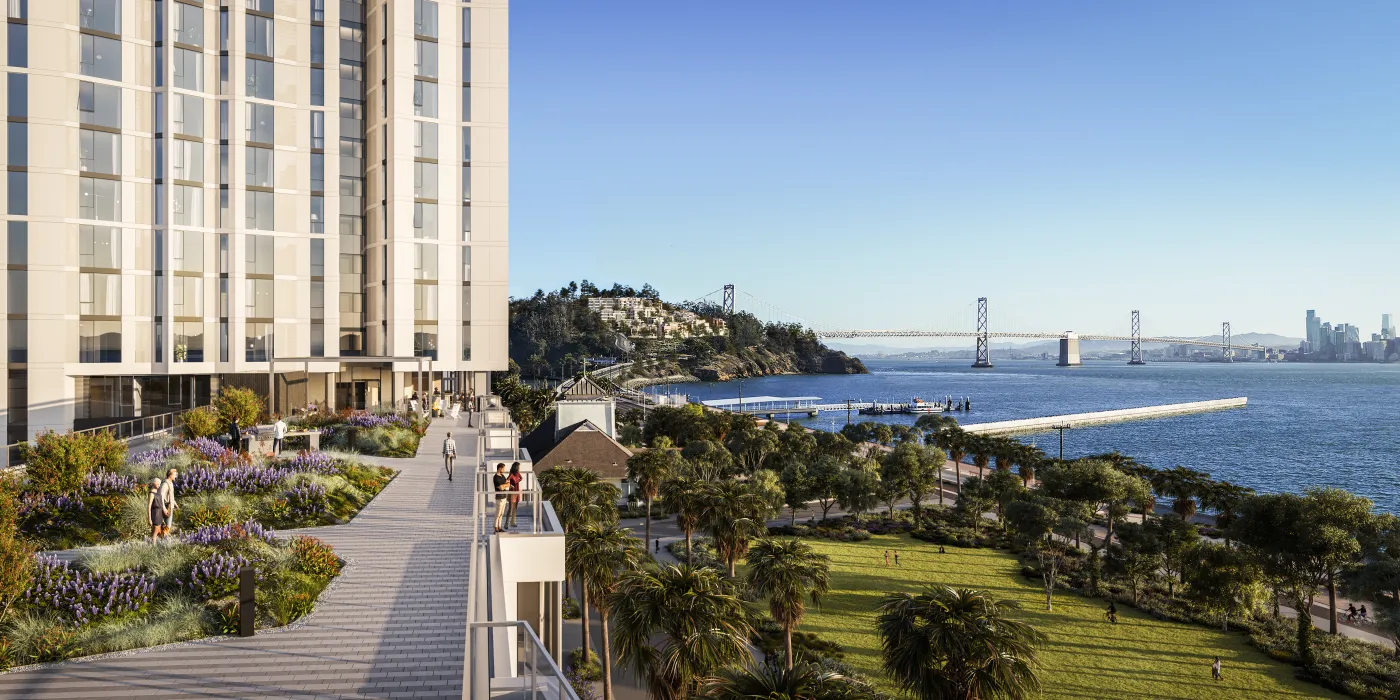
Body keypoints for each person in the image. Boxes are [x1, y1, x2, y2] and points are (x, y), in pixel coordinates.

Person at [158, 468, 179, 538]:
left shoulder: (170, 483)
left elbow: (171, 496)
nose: (175, 476)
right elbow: (161, 496)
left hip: (170, 506)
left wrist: (175, 504)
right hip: (166, 507)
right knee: (167, 525)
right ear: (170, 475)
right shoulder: (165, 484)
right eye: (175, 475)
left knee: (168, 525)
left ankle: (163, 537)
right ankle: (164, 538)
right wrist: (164, 508)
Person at [492, 463, 509, 533]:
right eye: (503, 468)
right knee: (498, 514)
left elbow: (508, 483)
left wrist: (504, 485)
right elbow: (501, 488)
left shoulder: (502, 476)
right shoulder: (495, 477)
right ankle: (495, 528)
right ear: (500, 468)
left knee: (501, 513)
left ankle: (499, 527)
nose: (504, 470)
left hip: (504, 497)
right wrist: (505, 485)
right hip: (499, 498)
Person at [145, 478, 163, 542]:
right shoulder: (151, 494)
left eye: (160, 484)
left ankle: (155, 545)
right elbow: (149, 507)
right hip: (155, 514)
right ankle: (153, 546)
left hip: (159, 513)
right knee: (155, 532)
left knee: (158, 531)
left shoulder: (158, 492)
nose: (159, 485)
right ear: (153, 483)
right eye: (158, 484)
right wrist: (149, 519)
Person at [506, 463, 523, 528]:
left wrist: (517, 481)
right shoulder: (511, 474)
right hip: (512, 493)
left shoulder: (518, 473)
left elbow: (521, 478)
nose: (519, 468)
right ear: (516, 467)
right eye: (518, 467)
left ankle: (513, 522)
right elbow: (506, 480)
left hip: (517, 492)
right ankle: (506, 523)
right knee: (510, 508)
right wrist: (510, 485)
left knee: (515, 508)